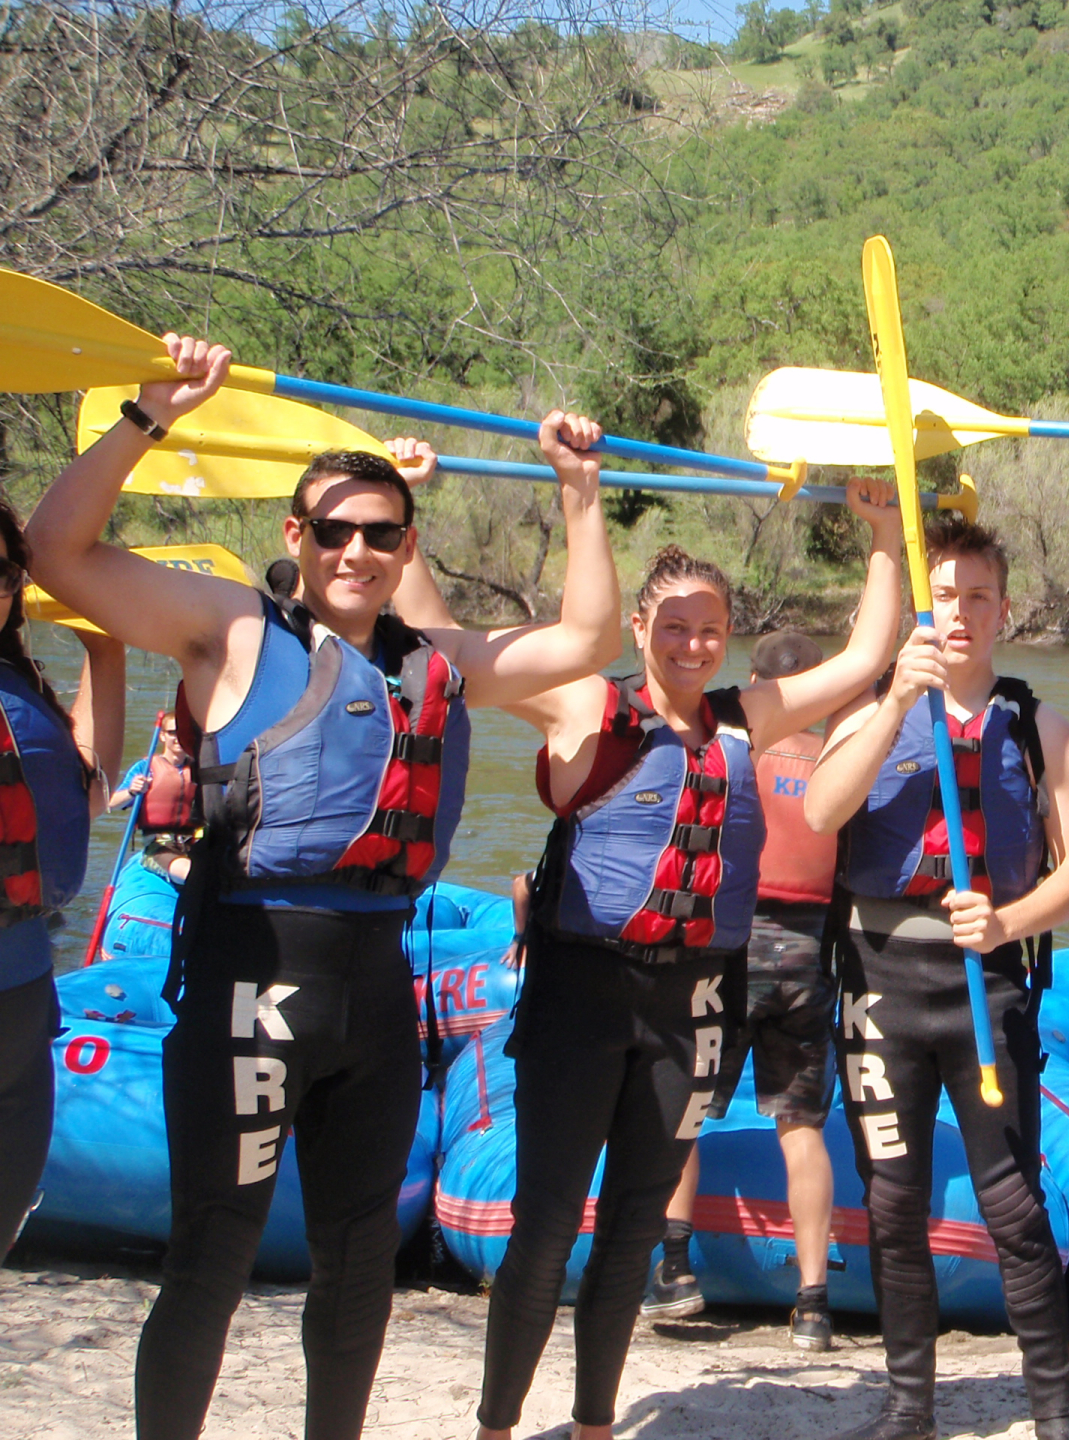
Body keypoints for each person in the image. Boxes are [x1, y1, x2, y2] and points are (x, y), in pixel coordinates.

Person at [25, 332, 625, 1440]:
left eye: (381, 534)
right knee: (212, 1252)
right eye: (335, 531)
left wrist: (580, 494)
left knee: (358, 1266)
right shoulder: (229, 629)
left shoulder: (437, 662)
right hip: (251, 986)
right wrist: (148, 416)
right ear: (295, 536)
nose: (357, 551)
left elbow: (587, 636)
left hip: (375, 1003)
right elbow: (58, 552)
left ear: (406, 548)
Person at [389, 497, 902, 1440]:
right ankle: (496, 1426)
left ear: (728, 636)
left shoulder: (748, 716)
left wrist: (883, 535)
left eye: (710, 631)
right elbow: (445, 650)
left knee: (631, 1230)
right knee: (546, 1225)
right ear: (640, 627)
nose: (694, 646)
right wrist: (413, 534)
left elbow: (867, 657)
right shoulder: (587, 700)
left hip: (694, 1000)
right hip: (584, 992)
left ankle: (593, 1425)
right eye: (675, 627)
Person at [805, 512, 1069, 1440]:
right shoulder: (866, 713)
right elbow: (819, 810)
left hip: (988, 985)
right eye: (945, 596)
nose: (963, 613)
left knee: (1013, 1203)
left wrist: (1007, 920)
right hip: (883, 983)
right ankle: (909, 1408)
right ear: (920, 610)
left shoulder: (1038, 726)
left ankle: (1053, 1413)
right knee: (893, 1206)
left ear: (1005, 610)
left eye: (980, 597)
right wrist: (897, 702)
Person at [646, 629, 843, 1352]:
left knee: (686, 1109)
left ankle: (673, 1266)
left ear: (761, 686)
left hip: (729, 950)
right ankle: (813, 1303)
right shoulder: (839, 764)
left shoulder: (733, 755)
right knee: (802, 1129)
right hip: (808, 955)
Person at [0, 503, 122, 1256]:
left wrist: (102, 655)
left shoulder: (18, 681)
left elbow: (87, 792)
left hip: (18, 1005)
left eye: (5, 573)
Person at [109, 710, 197, 880]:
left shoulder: (198, 769)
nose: (178, 737)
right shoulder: (145, 767)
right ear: (162, 736)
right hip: (158, 845)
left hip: (193, 841)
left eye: (182, 732)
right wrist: (131, 791)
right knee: (191, 873)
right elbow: (111, 803)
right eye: (172, 732)